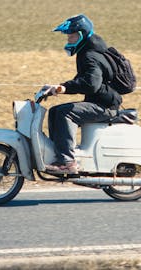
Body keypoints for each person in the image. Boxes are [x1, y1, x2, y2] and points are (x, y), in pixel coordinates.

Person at [43, 14, 122, 174]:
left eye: (71, 36)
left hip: (104, 107)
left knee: (66, 113)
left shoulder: (90, 55)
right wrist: (59, 87)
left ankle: (67, 162)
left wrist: (64, 88)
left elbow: (92, 84)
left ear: (81, 35)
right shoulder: (88, 50)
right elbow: (84, 80)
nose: (68, 40)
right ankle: (58, 155)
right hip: (99, 102)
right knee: (54, 111)